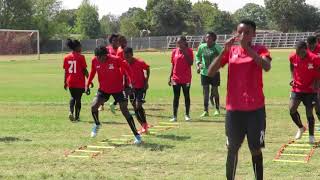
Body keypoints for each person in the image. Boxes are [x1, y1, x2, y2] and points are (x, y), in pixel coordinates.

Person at [208, 20, 272, 180]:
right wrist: (224, 51)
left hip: (255, 110)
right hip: (234, 110)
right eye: (240, 32)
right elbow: (210, 72)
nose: (243, 35)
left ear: (254, 34)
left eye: (247, 32)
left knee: (255, 149)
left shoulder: (260, 49)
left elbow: (266, 66)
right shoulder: (231, 51)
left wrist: (247, 48)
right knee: (232, 148)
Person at [86, 46, 142, 144]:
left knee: (125, 110)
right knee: (94, 106)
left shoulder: (116, 59)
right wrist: (87, 83)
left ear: (105, 55)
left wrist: (131, 82)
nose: (98, 59)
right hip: (104, 89)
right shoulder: (94, 60)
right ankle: (97, 124)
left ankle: (137, 136)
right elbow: (92, 72)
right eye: (97, 57)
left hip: (118, 89)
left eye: (100, 57)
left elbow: (127, 68)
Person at [289, 41, 320, 144]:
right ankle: (301, 128)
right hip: (297, 88)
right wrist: (293, 78)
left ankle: (311, 136)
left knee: (309, 113)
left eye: (300, 52)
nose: (298, 54)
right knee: (292, 109)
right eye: (297, 52)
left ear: (305, 49)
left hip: (310, 90)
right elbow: (292, 66)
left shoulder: (314, 58)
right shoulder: (293, 56)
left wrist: (316, 83)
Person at [124, 47, 151, 134]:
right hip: (131, 89)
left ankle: (144, 125)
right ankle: (143, 125)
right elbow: (124, 75)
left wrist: (146, 81)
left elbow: (147, 69)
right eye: (125, 56)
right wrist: (125, 87)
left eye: (128, 55)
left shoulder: (140, 62)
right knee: (135, 107)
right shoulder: (124, 63)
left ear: (132, 54)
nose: (127, 58)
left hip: (141, 87)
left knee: (138, 105)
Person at [196, 32, 222, 117]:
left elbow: (223, 57)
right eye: (206, 38)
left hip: (215, 73)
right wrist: (198, 64)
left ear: (214, 39)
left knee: (215, 91)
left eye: (209, 38)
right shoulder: (202, 47)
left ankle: (217, 109)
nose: (207, 39)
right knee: (205, 92)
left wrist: (218, 65)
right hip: (204, 73)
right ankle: (205, 110)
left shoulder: (217, 48)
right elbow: (198, 56)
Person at [168, 36, 194, 122]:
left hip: (186, 78)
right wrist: (170, 77)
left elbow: (190, 63)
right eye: (177, 42)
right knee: (176, 96)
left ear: (184, 42)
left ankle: (187, 115)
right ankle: (174, 116)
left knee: (186, 96)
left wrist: (185, 53)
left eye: (180, 42)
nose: (178, 44)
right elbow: (173, 64)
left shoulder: (189, 51)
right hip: (175, 78)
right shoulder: (174, 51)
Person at [63, 39, 88, 122]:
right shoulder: (81, 57)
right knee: (78, 99)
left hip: (70, 81)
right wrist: (89, 80)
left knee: (72, 97)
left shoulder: (66, 57)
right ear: (77, 47)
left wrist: (65, 82)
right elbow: (84, 70)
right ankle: (77, 117)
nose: (81, 47)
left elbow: (66, 71)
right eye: (80, 46)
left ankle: (70, 111)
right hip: (79, 81)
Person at [99, 34, 120, 112]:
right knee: (103, 91)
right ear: (111, 41)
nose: (117, 42)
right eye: (115, 40)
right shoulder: (107, 49)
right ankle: (101, 106)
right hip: (106, 74)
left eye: (117, 40)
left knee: (120, 91)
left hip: (117, 74)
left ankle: (114, 104)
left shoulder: (120, 50)